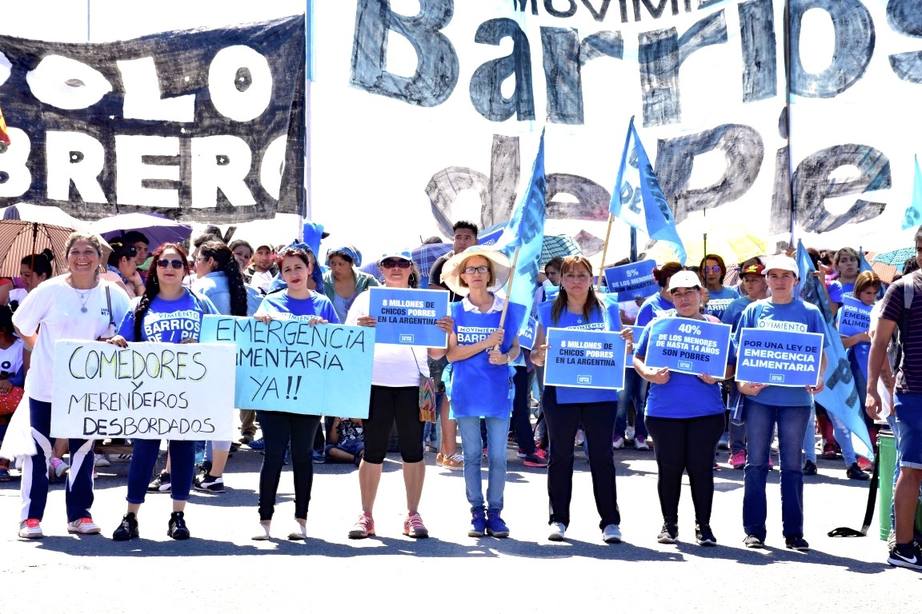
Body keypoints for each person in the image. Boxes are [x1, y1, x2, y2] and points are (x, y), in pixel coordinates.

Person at [12, 232, 131, 539]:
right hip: (45, 384)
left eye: (89, 251)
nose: (82, 257)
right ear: (67, 257)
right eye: (76, 251)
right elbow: (22, 324)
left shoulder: (112, 294)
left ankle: (79, 514)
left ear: (99, 257)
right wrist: (42, 350)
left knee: (83, 449)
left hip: (88, 390)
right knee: (38, 450)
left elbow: (127, 330)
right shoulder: (48, 290)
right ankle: (30, 518)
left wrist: (117, 340)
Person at [107, 243, 218, 541]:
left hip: (188, 392)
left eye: (176, 263)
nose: (169, 268)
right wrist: (118, 340)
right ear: (155, 268)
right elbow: (125, 340)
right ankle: (130, 516)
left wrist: (201, 346)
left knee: (182, 452)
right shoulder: (140, 305)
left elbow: (222, 338)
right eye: (163, 263)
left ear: (186, 269)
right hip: (149, 393)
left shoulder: (201, 304)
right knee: (144, 452)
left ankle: (178, 515)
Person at [345, 251, 452, 539]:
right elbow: (348, 342)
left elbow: (437, 353)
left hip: (414, 384)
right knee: (373, 450)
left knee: (413, 451)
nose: (395, 268)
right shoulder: (366, 299)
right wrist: (360, 329)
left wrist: (444, 332)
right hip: (376, 383)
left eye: (402, 264)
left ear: (411, 269)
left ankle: (413, 514)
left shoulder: (427, 303)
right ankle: (366, 515)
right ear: (381, 269)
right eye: (389, 264)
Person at [734, 254, 828, 551]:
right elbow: (740, 354)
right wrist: (741, 384)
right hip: (760, 398)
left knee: (792, 465)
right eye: (773, 276)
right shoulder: (754, 311)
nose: (779, 281)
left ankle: (794, 532)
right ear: (766, 279)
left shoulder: (810, 311)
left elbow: (820, 352)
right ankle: (753, 530)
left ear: (796, 280)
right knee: (756, 463)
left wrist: (820, 376)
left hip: (796, 400)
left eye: (785, 276)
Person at [633, 271, 732, 546]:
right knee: (669, 470)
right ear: (670, 296)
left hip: (706, 413)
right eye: (677, 293)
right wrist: (650, 375)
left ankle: (704, 526)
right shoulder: (658, 324)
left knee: (701, 470)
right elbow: (638, 359)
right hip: (663, 412)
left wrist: (718, 375)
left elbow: (731, 365)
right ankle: (669, 524)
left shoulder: (714, 325)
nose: (683, 298)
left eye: (689, 292)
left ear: (701, 294)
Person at [530, 256, 623, 544]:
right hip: (560, 394)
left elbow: (619, 346)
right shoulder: (547, 310)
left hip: (601, 395)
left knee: (601, 457)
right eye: (569, 275)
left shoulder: (608, 309)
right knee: (560, 456)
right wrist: (540, 354)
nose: (576, 281)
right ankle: (558, 519)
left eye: (582, 275)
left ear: (591, 278)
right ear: (561, 279)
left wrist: (626, 341)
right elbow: (534, 354)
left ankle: (610, 522)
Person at [251, 246, 339, 540]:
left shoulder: (324, 304)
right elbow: (255, 342)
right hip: (272, 392)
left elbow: (341, 347)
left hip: (309, 393)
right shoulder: (269, 303)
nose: (293, 274)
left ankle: (301, 520)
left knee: (302, 455)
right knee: (273, 455)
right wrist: (259, 325)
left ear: (309, 269)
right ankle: (264, 520)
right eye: (286, 269)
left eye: (297, 267)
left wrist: (325, 330)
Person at [442, 246, 524, 537]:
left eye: (482, 268)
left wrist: (506, 357)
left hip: (498, 390)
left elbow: (514, 346)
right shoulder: (453, 311)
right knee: (473, 454)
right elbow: (451, 355)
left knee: (499, 456)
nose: (476, 274)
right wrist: (485, 343)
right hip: (466, 389)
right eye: (470, 269)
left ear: (490, 274)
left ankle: (497, 512)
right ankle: (476, 511)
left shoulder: (506, 308)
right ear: (462, 275)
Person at [866, 226, 922, 571]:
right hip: (913, 392)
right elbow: (879, 342)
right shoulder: (903, 289)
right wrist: (872, 388)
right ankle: (902, 547)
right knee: (912, 470)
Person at [188, 240, 259, 492]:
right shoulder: (249, 290)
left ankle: (198, 466)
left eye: (197, 259)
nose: (194, 264)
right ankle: (213, 473)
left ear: (211, 262)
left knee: (199, 417)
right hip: (242, 361)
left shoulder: (200, 287)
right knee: (222, 416)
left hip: (205, 360)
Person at [616, 262, 683, 450]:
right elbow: (639, 335)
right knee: (623, 396)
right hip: (637, 360)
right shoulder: (650, 304)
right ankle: (617, 433)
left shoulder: (686, 304)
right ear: (664, 280)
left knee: (644, 398)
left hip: (663, 364)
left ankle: (640, 435)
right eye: (673, 278)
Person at [429, 221, 479, 470]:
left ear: (475, 240)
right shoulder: (442, 263)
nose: (462, 241)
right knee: (437, 392)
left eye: (467, 237)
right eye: (458, 236)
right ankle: (442, 449)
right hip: (442, 333)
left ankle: (447, 450)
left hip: (469, 336)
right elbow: (434, 299)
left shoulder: (479, 264)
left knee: (453, 393)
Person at [721, 262, 768, 469]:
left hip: (765, 367)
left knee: (764, 409)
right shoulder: (736, 305)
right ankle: (737, 450)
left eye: (754, 280)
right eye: (746, 280)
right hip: (740, 366)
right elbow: (725, 334)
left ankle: (761, 451)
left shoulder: (771, 306)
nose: (749, 284)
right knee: (737, 409)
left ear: (765, 281)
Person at [0, 305, 27, 482]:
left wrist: (11, 382)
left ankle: (3, 463)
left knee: (8, 420)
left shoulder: (19, 346)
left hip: (16, 396)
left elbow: (25, 371)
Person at [323, 246, 379, 323]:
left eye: (341, 264)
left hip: (361, 332)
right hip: (331, 332)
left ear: (351, 263)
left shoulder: (367, 281)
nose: (336, 268)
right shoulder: (323, 282)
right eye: (333, 263)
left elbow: (381, 301)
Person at [699, 254, 739, 321]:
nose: (711, 273)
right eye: (706, 269)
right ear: (702, 273)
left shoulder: (733, 294)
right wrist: (701, 304)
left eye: (716, 269)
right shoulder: (696, 295)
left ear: (722, 271)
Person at [827, 247, 861, 312]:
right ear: (837, 266)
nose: (849, 263)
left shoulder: (867, 285)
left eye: (852, 259)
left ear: (858, 264)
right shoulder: (830, 286)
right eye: (843, 261)